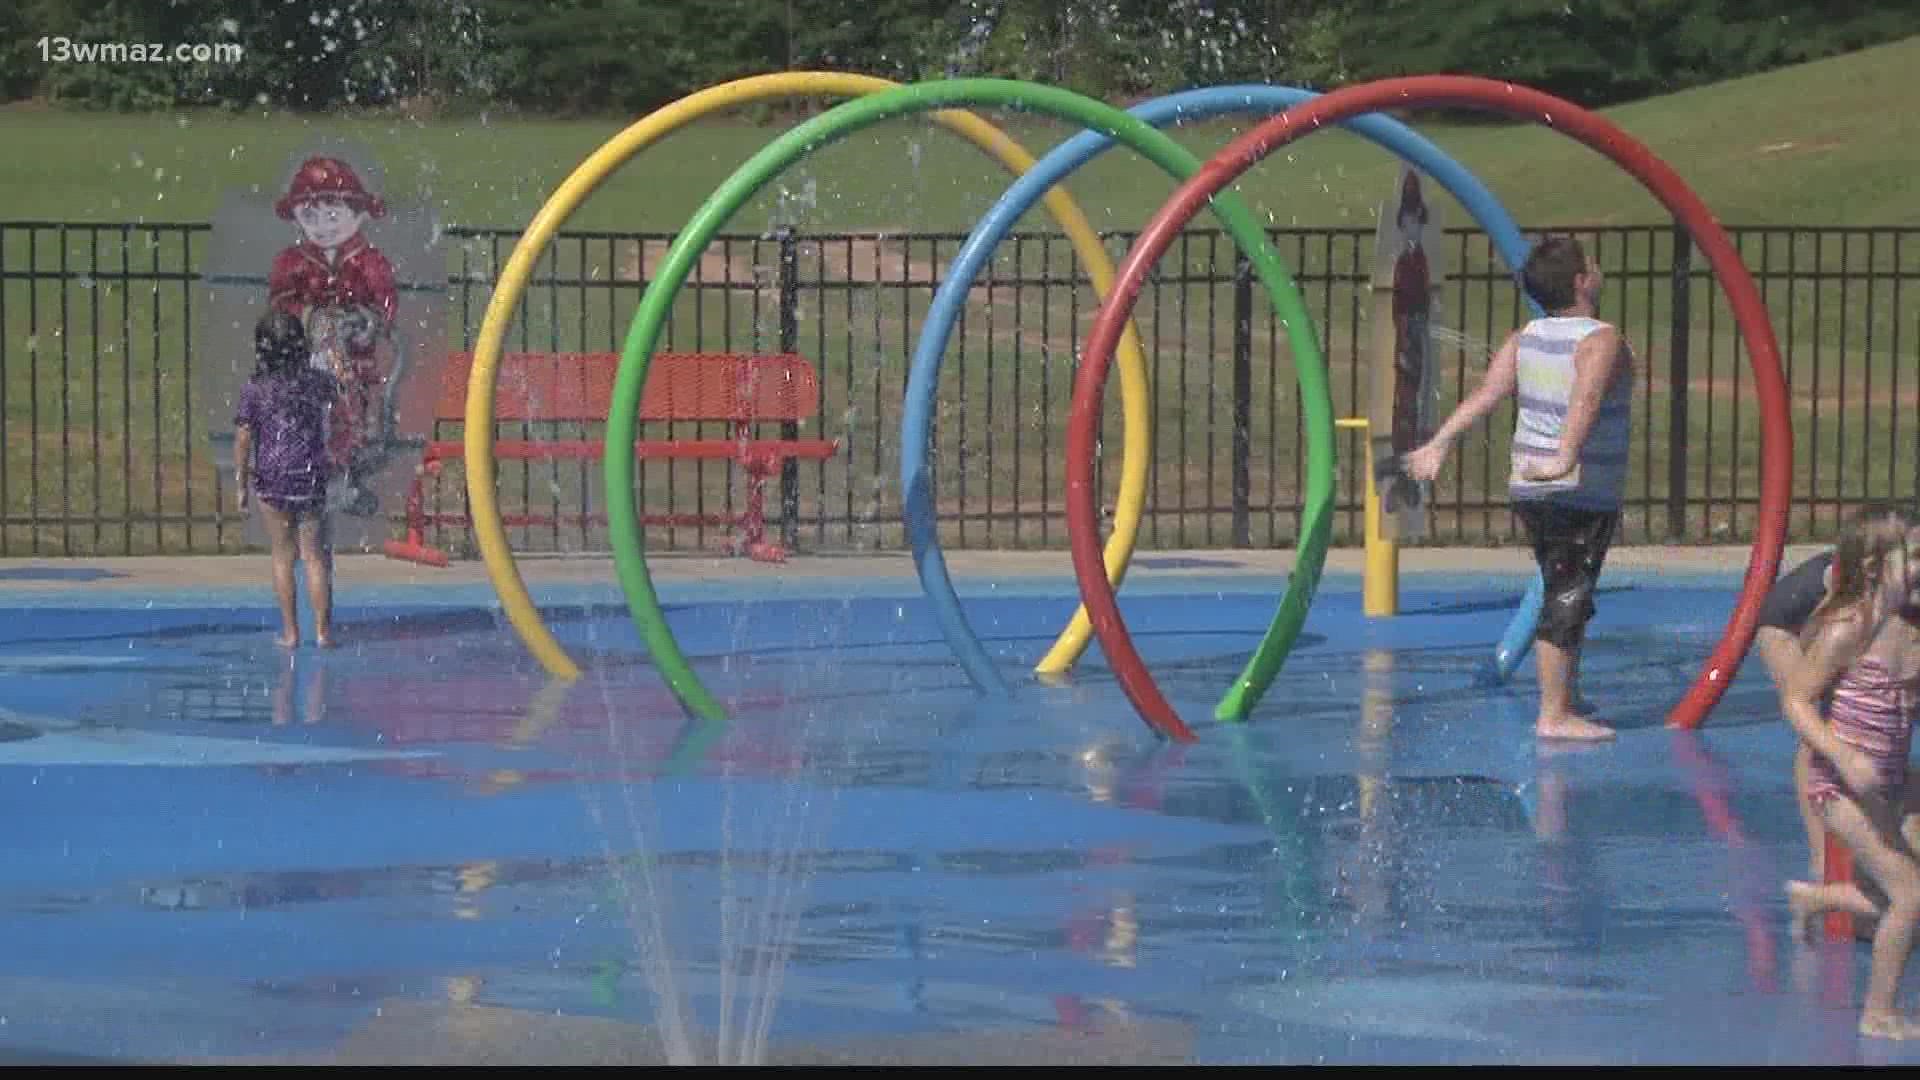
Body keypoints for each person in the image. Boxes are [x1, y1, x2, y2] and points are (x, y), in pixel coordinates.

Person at [1403, 236, 1631, 740]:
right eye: (1591, 264)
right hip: (1574, 487)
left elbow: (1486, 396)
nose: (1597, 269)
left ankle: (1566, 697)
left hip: (1530, 486)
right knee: (1567, 593)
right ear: (1581, 282)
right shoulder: (1600, 338)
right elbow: (1586, 398)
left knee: (1567, 585)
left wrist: (1439, 443)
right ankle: (1553, 715)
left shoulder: (1526, 336)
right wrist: (1566, 457)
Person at [1779, 506, 1920, 1039]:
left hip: (1884, 780)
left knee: (1899, 894)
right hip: (1837, 784)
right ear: (1877, 564)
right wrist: (1843, 756)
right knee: (1909, 894)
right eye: (1916, 555)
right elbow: (1795, 699)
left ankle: (1815, 898)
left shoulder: (1909, 625)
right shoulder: (1848, 628)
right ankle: (1877, 1014)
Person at [233, 311, 339, 649]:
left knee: (282, 555)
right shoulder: (316, 382)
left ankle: (292, 633)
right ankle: (323, 633)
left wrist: (240, 483)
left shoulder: (255, 389)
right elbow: (337, 403)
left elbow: (244, 437)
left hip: (272, 475)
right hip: (310, 474)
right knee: (315, 556)